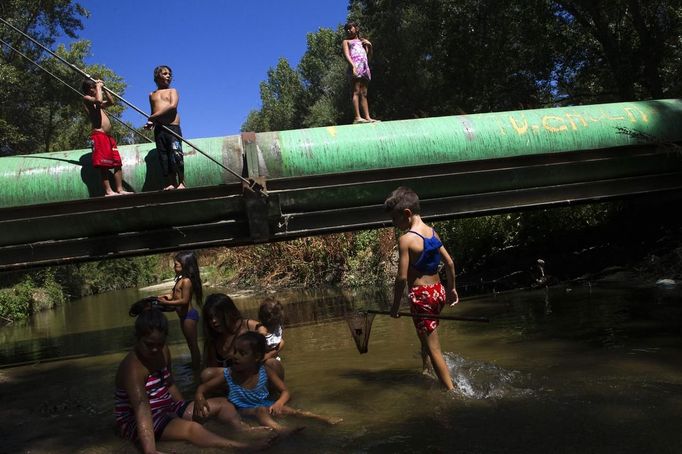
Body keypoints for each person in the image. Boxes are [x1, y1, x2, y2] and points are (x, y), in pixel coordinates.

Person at [114, 300, 275, 453]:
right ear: (137, 339)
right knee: (193, 429)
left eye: (160, 344)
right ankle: (241, 446)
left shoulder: (163, 351)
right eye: (149, 344)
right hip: (137, 420)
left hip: (166, 408)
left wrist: (183, 409)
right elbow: (142, 407)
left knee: (224, 404)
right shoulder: (132, 367)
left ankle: (244, 430)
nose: (156, 350)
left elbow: (169, 384)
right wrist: (150, 450)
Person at [384, 186, 460, 392]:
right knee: (424, 336)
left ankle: (450, 391)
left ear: (407, 214)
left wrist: (395, 306)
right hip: (438, 292)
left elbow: (401, 278)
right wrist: (452, 290)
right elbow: (450, 263)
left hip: (422, 297)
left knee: (434, 348)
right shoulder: (432, 232)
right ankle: (426, 370)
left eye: (395, 219)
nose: (394, 224)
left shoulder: (406, 239)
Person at [194, 331, 342, 436]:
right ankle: (281, 430)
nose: (235, 356)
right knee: (260, 410)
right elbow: (203, 387)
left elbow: (285, 391)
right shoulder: (229, 374)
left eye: (242, 353)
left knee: (292, 411)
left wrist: (279, 404)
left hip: (267, 404)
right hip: (244, 410)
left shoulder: (264, 371)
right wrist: (199, 396)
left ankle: (323, 418)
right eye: (235, 352)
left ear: (257, 357)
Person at [82, 78, 131, 196]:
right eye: (94, 87)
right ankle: (108, 191)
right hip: (99, 135)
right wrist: (99, 87)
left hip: (108, 137)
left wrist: (104, 89)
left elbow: (111, 102)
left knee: (117, 163)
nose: (96, 89)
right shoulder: (87, 99)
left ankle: (119, 189)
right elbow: (98, 101)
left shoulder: (97, 103)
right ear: (90, 89)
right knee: (103, 165)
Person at [158, 251, 202, 370]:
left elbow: (184, 301)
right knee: (189, 344)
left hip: (189, 316)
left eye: (176, 265)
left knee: (193, 345)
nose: (174, 267)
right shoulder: (180, 280)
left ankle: (197, 368)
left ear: (185, 266)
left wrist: (167, 303)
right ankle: (195, 365)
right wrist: (162, 297)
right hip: (184, 317)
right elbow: (174, 294)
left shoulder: (186, 281)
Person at [144, 65, 185, 190]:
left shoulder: (173, 91)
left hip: (172, 127)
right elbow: (153, 112)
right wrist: (151, 122)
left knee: (176, 155)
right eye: (165, 73)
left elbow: (172, 106)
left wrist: (153, 117)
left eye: (169, 74)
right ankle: (171, 183)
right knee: (164, 157)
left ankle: (181, 182)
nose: (168, 76)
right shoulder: (152, 95)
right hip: (160, 129)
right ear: (157, 76)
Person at [342, 21, 378, 124]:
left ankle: (367, 117)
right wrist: (352, 65)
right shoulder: (346, 42)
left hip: (364, 68)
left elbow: (368, 57)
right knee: (356, 90)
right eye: (347, 30)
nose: (348, 31)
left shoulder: (362, 42)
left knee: (364, 93)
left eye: (350, 28)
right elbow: (346, 54)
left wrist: (370, 46)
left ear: (356, 28)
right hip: (355, 66)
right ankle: (357, 117)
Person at [256, 298, 285, 380]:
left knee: (277, 379)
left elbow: (281, 341)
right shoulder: (262, 328)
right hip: (263, 361)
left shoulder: (277, 326)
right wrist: (262, 334)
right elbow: (260, 340)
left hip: (275, 359)